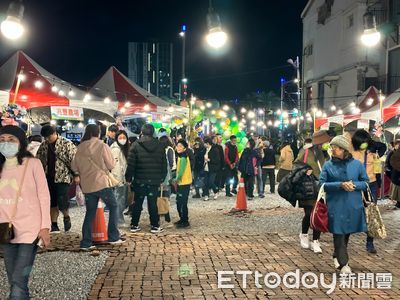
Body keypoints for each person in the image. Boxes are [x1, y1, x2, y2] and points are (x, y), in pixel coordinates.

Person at [0, 125, 51, 299]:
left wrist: (45, 226)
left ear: (21, 143)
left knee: (18, 281)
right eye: (2, 140)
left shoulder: (33, 164)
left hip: (30, 230)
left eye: (11, 140)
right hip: (5, 230)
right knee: (15, 281)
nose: (6, 143)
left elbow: (44, 196)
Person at [319, 135, 369, 274]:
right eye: (332, 147)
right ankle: (344, 264)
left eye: (335, 147)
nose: (332, 150)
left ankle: (337, 255)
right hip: (335, 206)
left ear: (343, 149)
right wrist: (340, 185)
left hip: (353, 206)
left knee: (346, 232)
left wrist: (354, 185)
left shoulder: (357, 165)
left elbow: (365, 183)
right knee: (338, 233)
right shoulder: (328, 165)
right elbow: (322, 184)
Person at [71, 124, 123, 250]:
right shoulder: (102, 145)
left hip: (87, 186)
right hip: (101, 183)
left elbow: (74, 166)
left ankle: (86, 242)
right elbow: (110, 164)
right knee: (114, 206)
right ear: (98, 133)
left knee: (90, 212)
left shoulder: (81, 147)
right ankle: (113, 236)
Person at [125, 124, 167, 234]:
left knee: (137, 202)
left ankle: (134, 225)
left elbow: (131, 164)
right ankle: (155, 225)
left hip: (140, 180)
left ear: (142, 132)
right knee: (152, 203)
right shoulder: (160, 145)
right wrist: (162, 177)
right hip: (154, 180)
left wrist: (128, 177)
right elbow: (164, 163)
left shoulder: (135, 145)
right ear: (153, 132)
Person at [351, 129, 386, 254]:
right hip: (357, 185)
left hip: (371, 184)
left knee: (371, 213)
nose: (363, 144)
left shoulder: (372, 149)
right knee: (354, 210)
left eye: (365, 141)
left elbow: (383, 146)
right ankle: (345, 237)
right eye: (361, 142)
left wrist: (373, 148)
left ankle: (370, 242)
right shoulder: (352, 152)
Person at [36, 125, 77, 233]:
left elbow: (74, 160)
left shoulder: (66, 143)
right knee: (51, 201)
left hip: (62, 177)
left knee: (62, 200)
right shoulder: (44, 145)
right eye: (45, 137)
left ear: (54, 133)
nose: (47, 139)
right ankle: (54, 224)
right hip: (48, 177)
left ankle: (66, 216)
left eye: (48, 137)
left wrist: (76, 174)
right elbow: (39, 160)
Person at [172, 139, 193, 228]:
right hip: (182, 183)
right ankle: (182, 219)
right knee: (179, 202)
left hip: (184, 183)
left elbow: (181, 172)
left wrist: (175, 180)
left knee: (182, 203)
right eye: (177, 146)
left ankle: (185, 221)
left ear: (184, 148)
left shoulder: (183, 157)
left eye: (180, 146)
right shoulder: (181, 156)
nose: (178, 147)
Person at [110, 130, 129, 225]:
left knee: (121, 199)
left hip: (122, 179)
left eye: (124, 137)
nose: (122, 139)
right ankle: (118, 220)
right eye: (120, 138)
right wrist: (119, 181)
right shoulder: (115, 149)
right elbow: (116, 167)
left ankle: (118, 219)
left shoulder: (121, 148)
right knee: (119, 199)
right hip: (119, 179)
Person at [203, 137, 221, 201]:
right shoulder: (204, 150)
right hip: (205, 168)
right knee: (206, 182)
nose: (204, 144)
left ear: (208, 143)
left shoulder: (215, 150)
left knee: (211, 181)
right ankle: (206, 195)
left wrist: (209, 160)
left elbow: (217, 160)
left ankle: (216, 191)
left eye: (205, 143)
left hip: (213, 168)